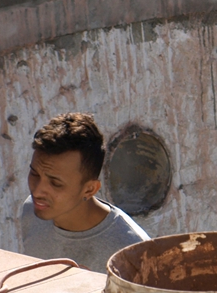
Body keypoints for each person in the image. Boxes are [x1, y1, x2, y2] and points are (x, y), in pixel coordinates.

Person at [19, 113, 150, 272]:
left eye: (55, 183)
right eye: (34, 174)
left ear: (90, 189)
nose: (37, 191)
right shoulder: (31, 212)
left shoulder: (132, 251)